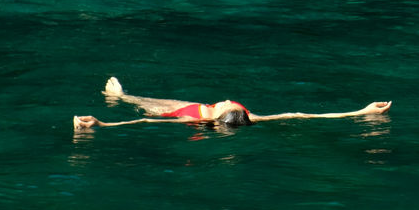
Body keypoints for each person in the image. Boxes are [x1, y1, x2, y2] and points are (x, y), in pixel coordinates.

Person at [73, 77, 390, 130]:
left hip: (175, 110)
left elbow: (145, 122)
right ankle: (124, 95)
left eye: (225, 104)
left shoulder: (197, 120)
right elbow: (301, 115)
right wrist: (362, 111)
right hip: (193, 104)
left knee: (142, 103)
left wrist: (102, 123)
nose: (226, 100)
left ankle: (121, 96)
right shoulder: (249, 118)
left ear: (219, 115)